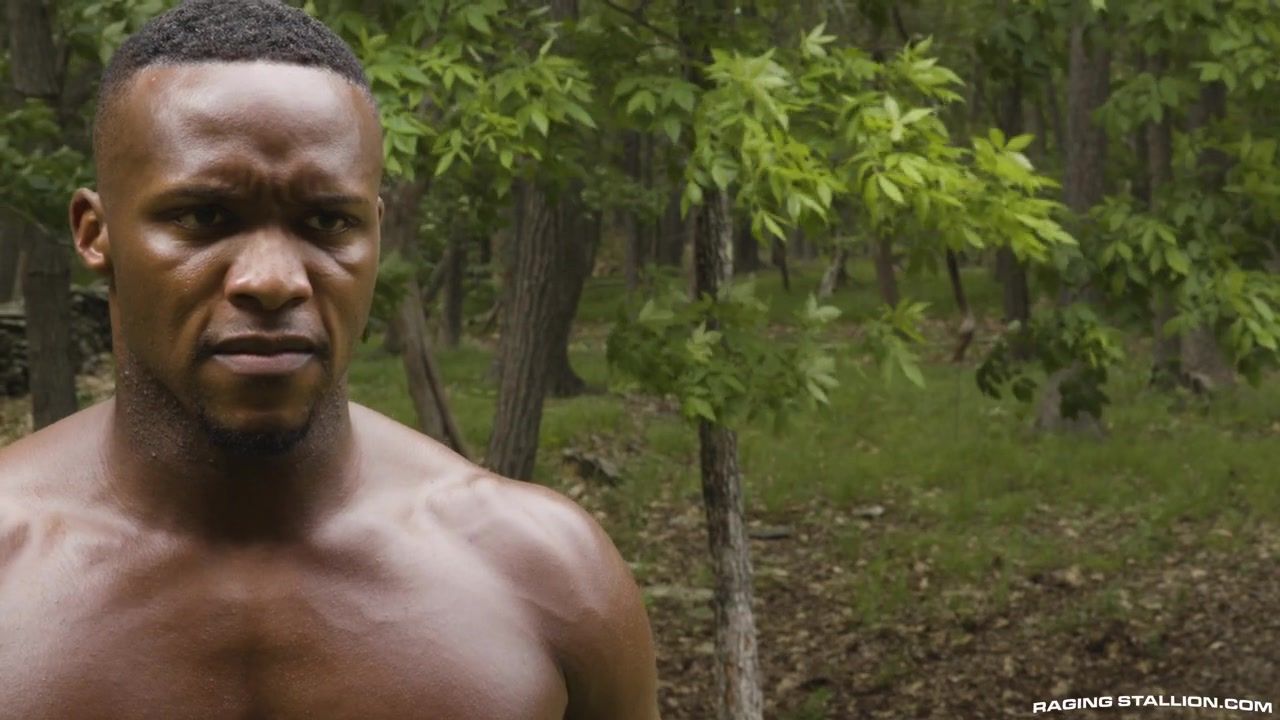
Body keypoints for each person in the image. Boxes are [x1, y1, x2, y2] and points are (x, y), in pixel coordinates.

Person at [0, 1, 660, 717]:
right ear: (94, 234)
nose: (272, 280)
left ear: (374, 232)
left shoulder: (547, 576)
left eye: (326, 222)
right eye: (203, 217)